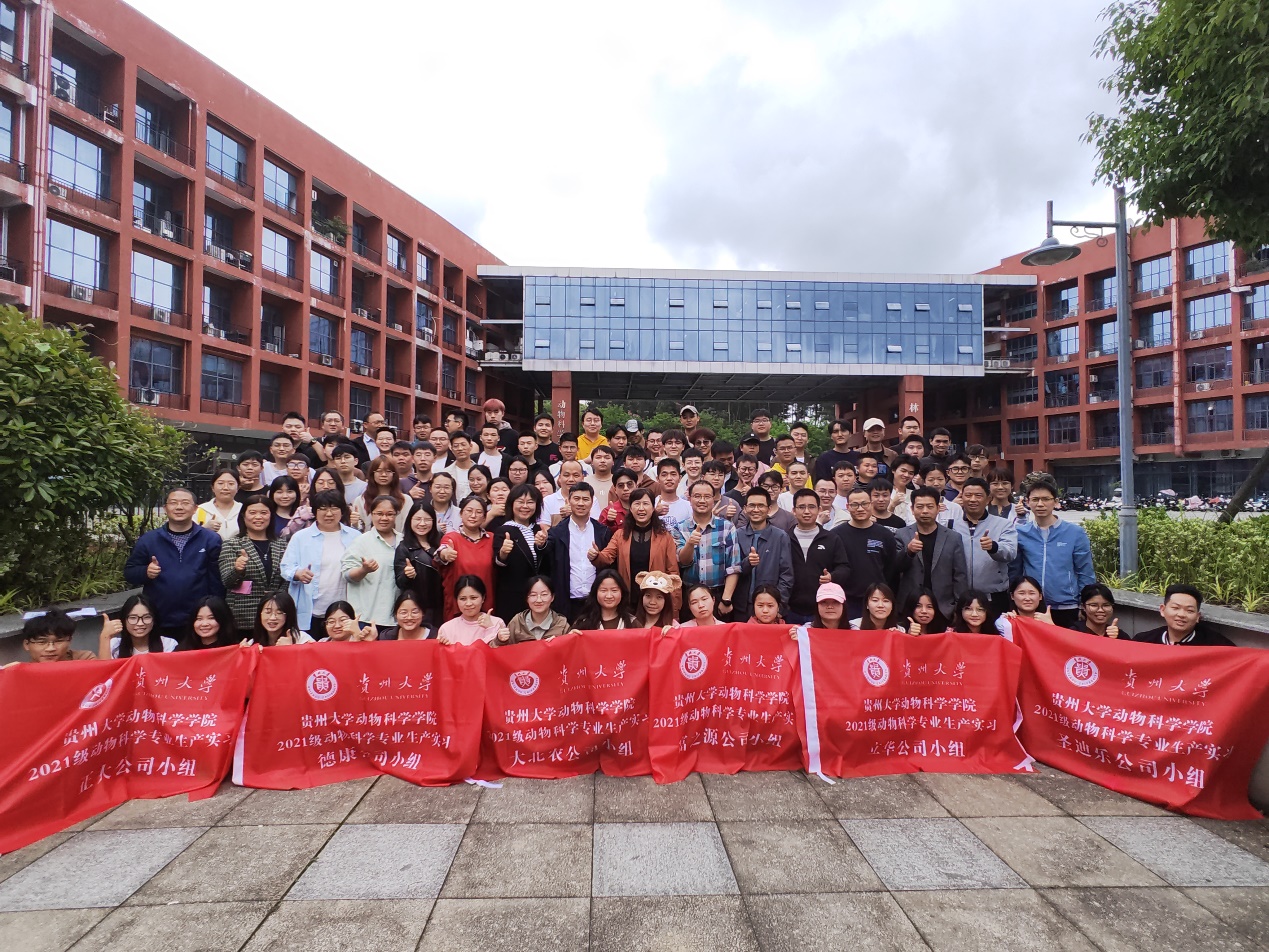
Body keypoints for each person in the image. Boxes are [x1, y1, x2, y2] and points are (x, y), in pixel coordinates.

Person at [123, 487, 225, 639]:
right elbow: (130, 572)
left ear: (195, 508)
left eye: (185, 503)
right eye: (173, 503)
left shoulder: (210, 539)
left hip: (198, 620)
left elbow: (217, 580)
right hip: (159, 618)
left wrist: (215, 613)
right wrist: (145, 572)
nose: (179, 507)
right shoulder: (149, 540)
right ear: (165, 508)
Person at [1011, 476, 1095, 628]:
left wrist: (1085, 603)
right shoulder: (1021, 533)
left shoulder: (1075, 532)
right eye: (1035, 499)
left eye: (1046, 499)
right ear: (1027, 502)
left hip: (1067, 606)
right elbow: (1015, 570)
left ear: (1056, 502)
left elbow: (1085, 572)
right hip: (1032, 607)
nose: (1040, 504)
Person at [280, 489, 361, 634]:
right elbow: (286, 567)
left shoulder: (355, 536)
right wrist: (298, 573)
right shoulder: (301, 537)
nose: (329, 514)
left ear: (342, 511)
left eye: (334, 508)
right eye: (323, 509)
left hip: (345, 611)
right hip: (310, 611)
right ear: (314, 512)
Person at [594, 487, 682, 613]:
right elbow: (606, 557)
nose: (641, 508)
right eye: (637, 504)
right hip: (628, 601)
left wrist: (675, 608)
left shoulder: (665, 537)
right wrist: (596, 555)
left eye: (645, 504)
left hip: (655, 602)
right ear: (630, 508)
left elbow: (673, 572)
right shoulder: (620, 535)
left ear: (653, 508)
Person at [946, 476, 1017, 615]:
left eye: (978, 495)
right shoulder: (951, 525)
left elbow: (1010, 553)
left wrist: (994, 547)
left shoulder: (1003, 524)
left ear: (988, 499)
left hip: (994, 596)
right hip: (960, 596)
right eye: (968, 495)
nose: (973, 499)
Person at [895, 487, 968, 621]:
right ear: (912, 509)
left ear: (938, 508)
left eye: (930, 506)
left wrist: (959, 607)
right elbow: (895, 568)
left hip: (943, 607)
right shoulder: (901, 534)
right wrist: (909, 552)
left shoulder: (953, 537)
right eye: (920, 507)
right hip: (909, 606)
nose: (925, 511)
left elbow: (960, 575)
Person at [673, 480, 742, 620]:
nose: (702, 501)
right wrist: (690, 544)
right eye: (697, 496)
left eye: (707, 496)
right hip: (690, 596)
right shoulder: (680, 528)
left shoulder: (727, 527)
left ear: (713, 499)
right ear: (689, 498)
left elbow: (734, 566)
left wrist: (726, 600)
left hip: (718, 594)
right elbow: (682, 561)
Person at [831, 486, 903, 619]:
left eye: (864, 504)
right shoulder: (836, 535)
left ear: (871, 504)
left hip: (877, 600)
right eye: (855, 505)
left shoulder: (885, 534)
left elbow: (891, 570)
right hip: (845, 600)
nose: (860, 508)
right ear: (847, 507)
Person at [542, 482, 611, 619]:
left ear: (592, 502)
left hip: (597, 602)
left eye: (585, 499)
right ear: (568, 501)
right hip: (566, 602)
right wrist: (540, 545)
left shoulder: (603, 532)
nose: (580, 503)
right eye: (576, 498)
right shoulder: (556, 533)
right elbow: (546, 563)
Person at [219, 496, 289, 630]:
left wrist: (277, 596)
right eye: (252, 512)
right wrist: (237, 569)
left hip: (276, 616)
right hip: (243, 616)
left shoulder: (282, 544)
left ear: (271, 516)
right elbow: (227, 582)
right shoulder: (232, 544)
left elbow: (287, 578)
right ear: (243, 516)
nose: (258, 517)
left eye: (264, 513)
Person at [786, 488, 850, 625]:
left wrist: (832, 577)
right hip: (789, 610)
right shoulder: (784, 538)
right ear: (794, 511)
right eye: (801, 507)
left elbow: (844, 567)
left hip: (822, 610)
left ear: (819, 509)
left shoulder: (831, 538)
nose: (807, 511)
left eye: (811, 507)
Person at [342, 494, 402, 627]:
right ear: (371, 514)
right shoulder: (361, 542)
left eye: (390, 514)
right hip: (367, 617)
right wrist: (363, 570)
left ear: (396, 515)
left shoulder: (403, 541)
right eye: (379, 513)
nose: (384, 518)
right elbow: (347, 575)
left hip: (398, 619)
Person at [735, 487, 794, 621]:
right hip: (742, 607)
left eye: (761, 506)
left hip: (770, 608)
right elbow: (731, 569)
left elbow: (786, 575)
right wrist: (747, 563)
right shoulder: (737, 534)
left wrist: (779, 605)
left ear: (769, 509)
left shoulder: (780, 536)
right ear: (745, 509)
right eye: (752, 505)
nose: (756, 510)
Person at [493, 484, 548, 622]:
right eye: (520, 502)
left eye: (530, 502)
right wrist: (503, 552)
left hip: (539, 596)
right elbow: (498, 562)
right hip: (514, 595)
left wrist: (542, 546)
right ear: (511, 504)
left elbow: (547, 563)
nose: (525, 506)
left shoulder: (539, 530)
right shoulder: (503, 530)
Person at [435, 495, 495, 621]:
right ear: (461, 514)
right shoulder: (451, 538)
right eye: (469, 511)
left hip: (485, 605)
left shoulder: (492, 539)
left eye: (478, 512)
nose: (473, 515)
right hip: (458, 607)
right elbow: (441, 553)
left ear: (484, 517)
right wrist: (445, 554)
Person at [1132, 584, 1235, 646]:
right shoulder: (1143, 641)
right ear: (1162, 610)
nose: (1181, 615)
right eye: (1175, 608)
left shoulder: (1217, 645)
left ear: (1197, 616)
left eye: (1189, 611)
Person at [393, 500, 443, 626]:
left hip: (443, 605)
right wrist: (407, 575)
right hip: (418, 608)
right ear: (410, 520)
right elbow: (400, 582)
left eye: (427, 519)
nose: (422, 523)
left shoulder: (441, 543)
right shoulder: (404, 548)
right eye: (418, 519)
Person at [96, 594, 178, 657]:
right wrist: (104, 636)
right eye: (133, 618)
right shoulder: (114, 645)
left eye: (146, 617)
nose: (140, 623)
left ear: (154, 620)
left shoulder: (168, 645)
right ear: (124, 620)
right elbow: (104, 671)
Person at [498, 575, 570, 644]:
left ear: (552, 597)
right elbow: (502, 650)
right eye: (533, 595)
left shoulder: (561, 624)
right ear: (527, 598)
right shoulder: (517, 622)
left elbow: (570, 649)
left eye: (544, 594)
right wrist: (500, 641)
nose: (539, 600)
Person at [352, 456, 408, 535]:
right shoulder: (361, 500)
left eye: (388, 471)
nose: (384, 475)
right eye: (379, 471)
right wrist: (355, 524)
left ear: (394, 474)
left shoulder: (405, 500)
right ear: (372, 474)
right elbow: (358, 529)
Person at [17, 610, 95, 663]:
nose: (51, 649)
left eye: (59, 641)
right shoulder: (19, 672)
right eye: (42, 642)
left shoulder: (84, 659)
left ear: (69, 641)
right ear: (26, 644)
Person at [570, 569, 636, 630]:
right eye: (603, 590)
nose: (609, 596)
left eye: (614, 590)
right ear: (595, 593)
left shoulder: (631, 622)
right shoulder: (583, 623)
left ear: (622, 593)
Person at [997, 575, 1055, 641]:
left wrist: (1051, 626)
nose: (1027, 598)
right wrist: (1007, 624)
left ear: (1040, 596)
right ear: (1012, 596)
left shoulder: (1047, 621)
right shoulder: (1006, 622)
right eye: (1022, 593)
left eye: (1032, 593)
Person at [196, 468, 243, 540]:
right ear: (212, 487)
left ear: (238, 488)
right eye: (220, 483)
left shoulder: (244, 510)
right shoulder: (200, 510)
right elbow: (188, 537)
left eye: (231, 484)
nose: (225, 488)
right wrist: (204, 529)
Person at [813, 419, 856, 483]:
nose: (840, 434)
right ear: (831, 436)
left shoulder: (859, 457)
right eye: (835, 431)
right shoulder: (823, 459)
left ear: (850, 434)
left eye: (843, 430)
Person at [654, 458, 691, 526]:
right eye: (664, 475)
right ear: (657, 479)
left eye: (673, 474)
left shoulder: (689, 506)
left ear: (680, 478)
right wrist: (654, 514)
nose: (669, 478)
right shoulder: (651, 505)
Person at [443, 431, 478, 498]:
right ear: (451, 449)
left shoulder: (481, 471)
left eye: (463, 445)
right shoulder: (446, 473)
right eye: (456, 446)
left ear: (470, 446)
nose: (460, 449)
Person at [587, 444, 616, 512]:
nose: (602, 460)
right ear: (592, 462)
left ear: (613, 462)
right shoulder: (585, 481)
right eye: (598, 457)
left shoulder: (618, 482)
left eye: (607, 458)